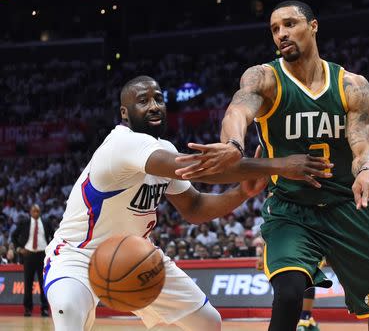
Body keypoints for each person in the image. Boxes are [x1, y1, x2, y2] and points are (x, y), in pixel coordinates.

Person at [175, 1, 369, 331]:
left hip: (346, 206)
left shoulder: (351, 85)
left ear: (313, 26)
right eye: (274, 29)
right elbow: (237, 112)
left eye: (289, 24)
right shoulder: (265, 78)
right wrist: (233, 144)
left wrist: (368, 168)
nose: (281, 33)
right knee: (288, 295)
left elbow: (361, 144)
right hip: (291, 209)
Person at [43, 75, 332, 331]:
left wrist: (241, 193)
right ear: (125, 113)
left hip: (135, 256)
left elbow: (194, 208)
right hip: (76, 257)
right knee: (68, 313)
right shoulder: (121, 144)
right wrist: (280, 165)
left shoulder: (163, 150)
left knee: (207, 321)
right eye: (143, 101)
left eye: (158, 98)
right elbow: (203, 169)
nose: (154, 105)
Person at [12, 204, 53, 317]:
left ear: (40, 212)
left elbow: (54, 236)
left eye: (37, 211)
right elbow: (14, 236)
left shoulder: (46, 223)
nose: (36, 212)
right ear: (30, 211)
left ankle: (44, 308)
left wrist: (50, 250)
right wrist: (19, 248)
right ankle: (28, 309)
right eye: (34, 211)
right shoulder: (24, 223)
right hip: (28, 255)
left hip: (42, 255)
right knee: (28, 283)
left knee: (43, 283)